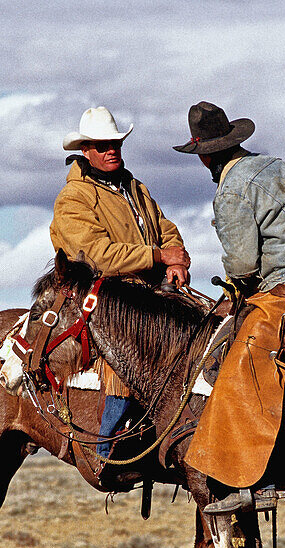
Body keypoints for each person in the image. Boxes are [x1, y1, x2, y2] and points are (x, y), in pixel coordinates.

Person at [173, 101, 285, 514]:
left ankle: (250, 480)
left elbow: (244, 264)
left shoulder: (230, 189)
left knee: (241, 368)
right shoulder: (274, 165)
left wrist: (236, 287)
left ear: (205, 154)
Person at [50, 106, 190, 476]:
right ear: (85, 150)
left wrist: (174, 262)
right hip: (107, 300)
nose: (111, 151)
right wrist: (157, 256)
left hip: (149, 295)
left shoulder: (134, 187)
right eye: (101, 146)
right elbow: (96, 256)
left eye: (115, 144)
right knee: (128, 364)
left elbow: (165, 228)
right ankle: (108, 450)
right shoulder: (74, 200)